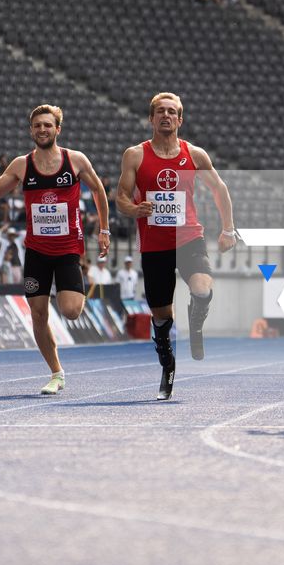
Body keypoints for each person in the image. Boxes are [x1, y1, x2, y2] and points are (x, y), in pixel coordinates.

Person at [0, 104, 112, 395]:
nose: (42, 129)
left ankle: (73, 285)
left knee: (72, 311)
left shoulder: (74, 161)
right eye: (37, 125)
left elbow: (99, 190)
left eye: (47, 125)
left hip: (66, 251)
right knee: (38, 313)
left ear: (57, 129)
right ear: (31, 130)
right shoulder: (21, 165)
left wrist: (104, 229)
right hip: (36, 252)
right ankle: (56, 372)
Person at [117, 93, 237, 400]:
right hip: (155, 245)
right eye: (160, 112)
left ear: (180, 120)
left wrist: (228, 229)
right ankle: (167, 363)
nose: (166, 116)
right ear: (151, 118)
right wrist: (134, 209)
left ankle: (195, 323)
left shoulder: (194, 155)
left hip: (188, 239)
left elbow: (219, 188)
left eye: (172, 112)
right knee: (160, 316)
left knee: (202, 288)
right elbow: (121, 197)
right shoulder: (135, 155)